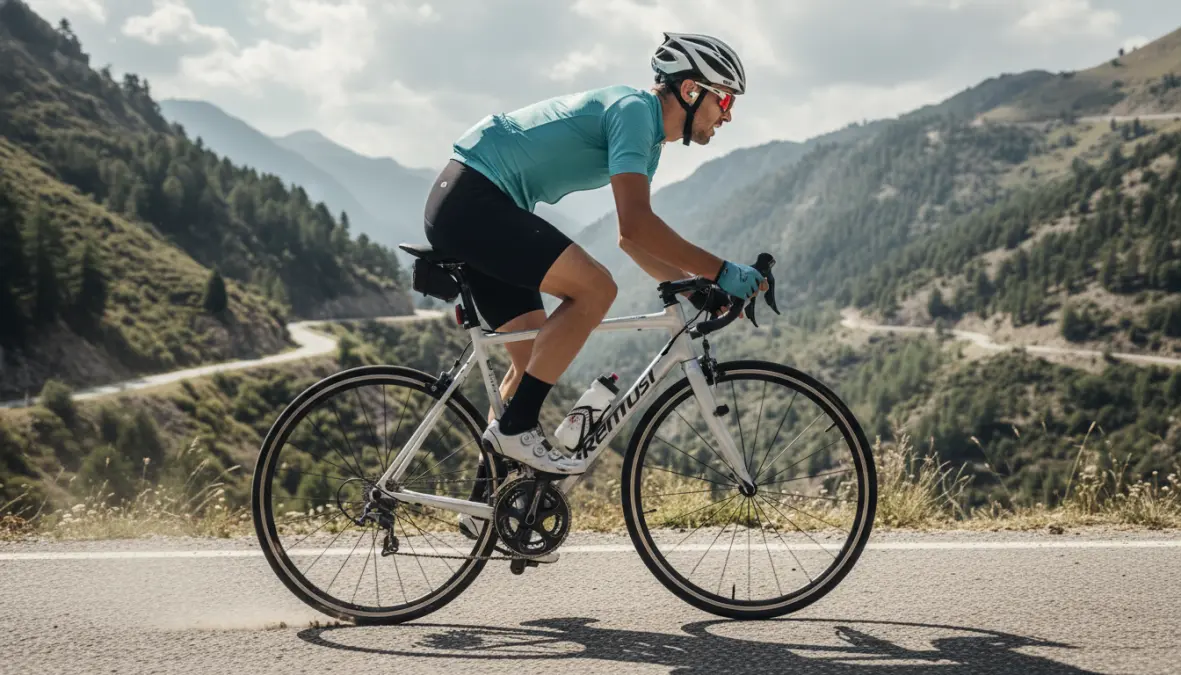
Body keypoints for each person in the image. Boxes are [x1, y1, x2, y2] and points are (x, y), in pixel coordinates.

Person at [423, 32, 767, 476]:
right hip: (473, 199)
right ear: (689, 90)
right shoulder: (633, 112)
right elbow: (637, 224)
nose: (729, 115)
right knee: (596, 289)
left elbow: (632, 240)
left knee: (531, 362)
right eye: (724, 100)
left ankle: (492, 500)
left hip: (477, 204)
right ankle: (516, 431)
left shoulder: (648, 141)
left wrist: (695, 289)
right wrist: (721, 271)